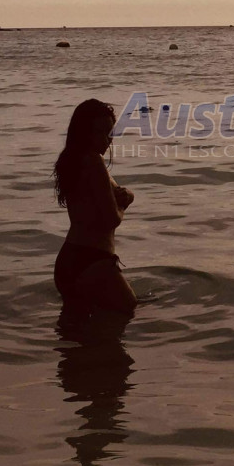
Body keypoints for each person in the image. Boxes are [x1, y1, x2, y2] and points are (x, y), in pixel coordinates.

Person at [53, 99, 137, 315]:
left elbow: (94, 202)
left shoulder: (71, 160)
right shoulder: (94, 162)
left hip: (68, 260)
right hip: (93, 260)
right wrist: (125, 203)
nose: (107, 139)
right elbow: (111, 219)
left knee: (75, 326)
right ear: (84, 132)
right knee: (127, 311)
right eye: (99, 132)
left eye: (110, 133)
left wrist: (127, 195)